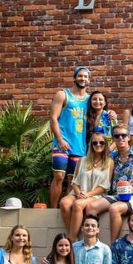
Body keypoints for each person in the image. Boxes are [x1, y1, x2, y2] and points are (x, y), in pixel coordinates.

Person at [59, 130, 114, 240]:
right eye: (95, 143)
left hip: (96, 195)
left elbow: (105, 186)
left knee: (78, 205)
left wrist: (88, 195)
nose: (98, 145)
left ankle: (71, 238)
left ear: (105, 144)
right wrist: (79, 193)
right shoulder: (82, 160)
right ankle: (73, 236)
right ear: (91, 145)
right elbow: (74, 181)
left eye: (101, 143)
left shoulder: (109, 162)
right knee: (64, 202)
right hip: (79, 192)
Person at [50, 66, 91, 208]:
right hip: (62, 143)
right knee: (59, 177)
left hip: (79, 146)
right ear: (74, 78)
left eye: (85, 77)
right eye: (80, 76)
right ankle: (53, 209)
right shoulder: (63, 94)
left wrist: (111, 114)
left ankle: (64, 209)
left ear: (89, 80)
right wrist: (60, 139)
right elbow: (53, 118)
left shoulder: (90, 99)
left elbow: (100, 113)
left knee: (72, 181)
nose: (83, 79)